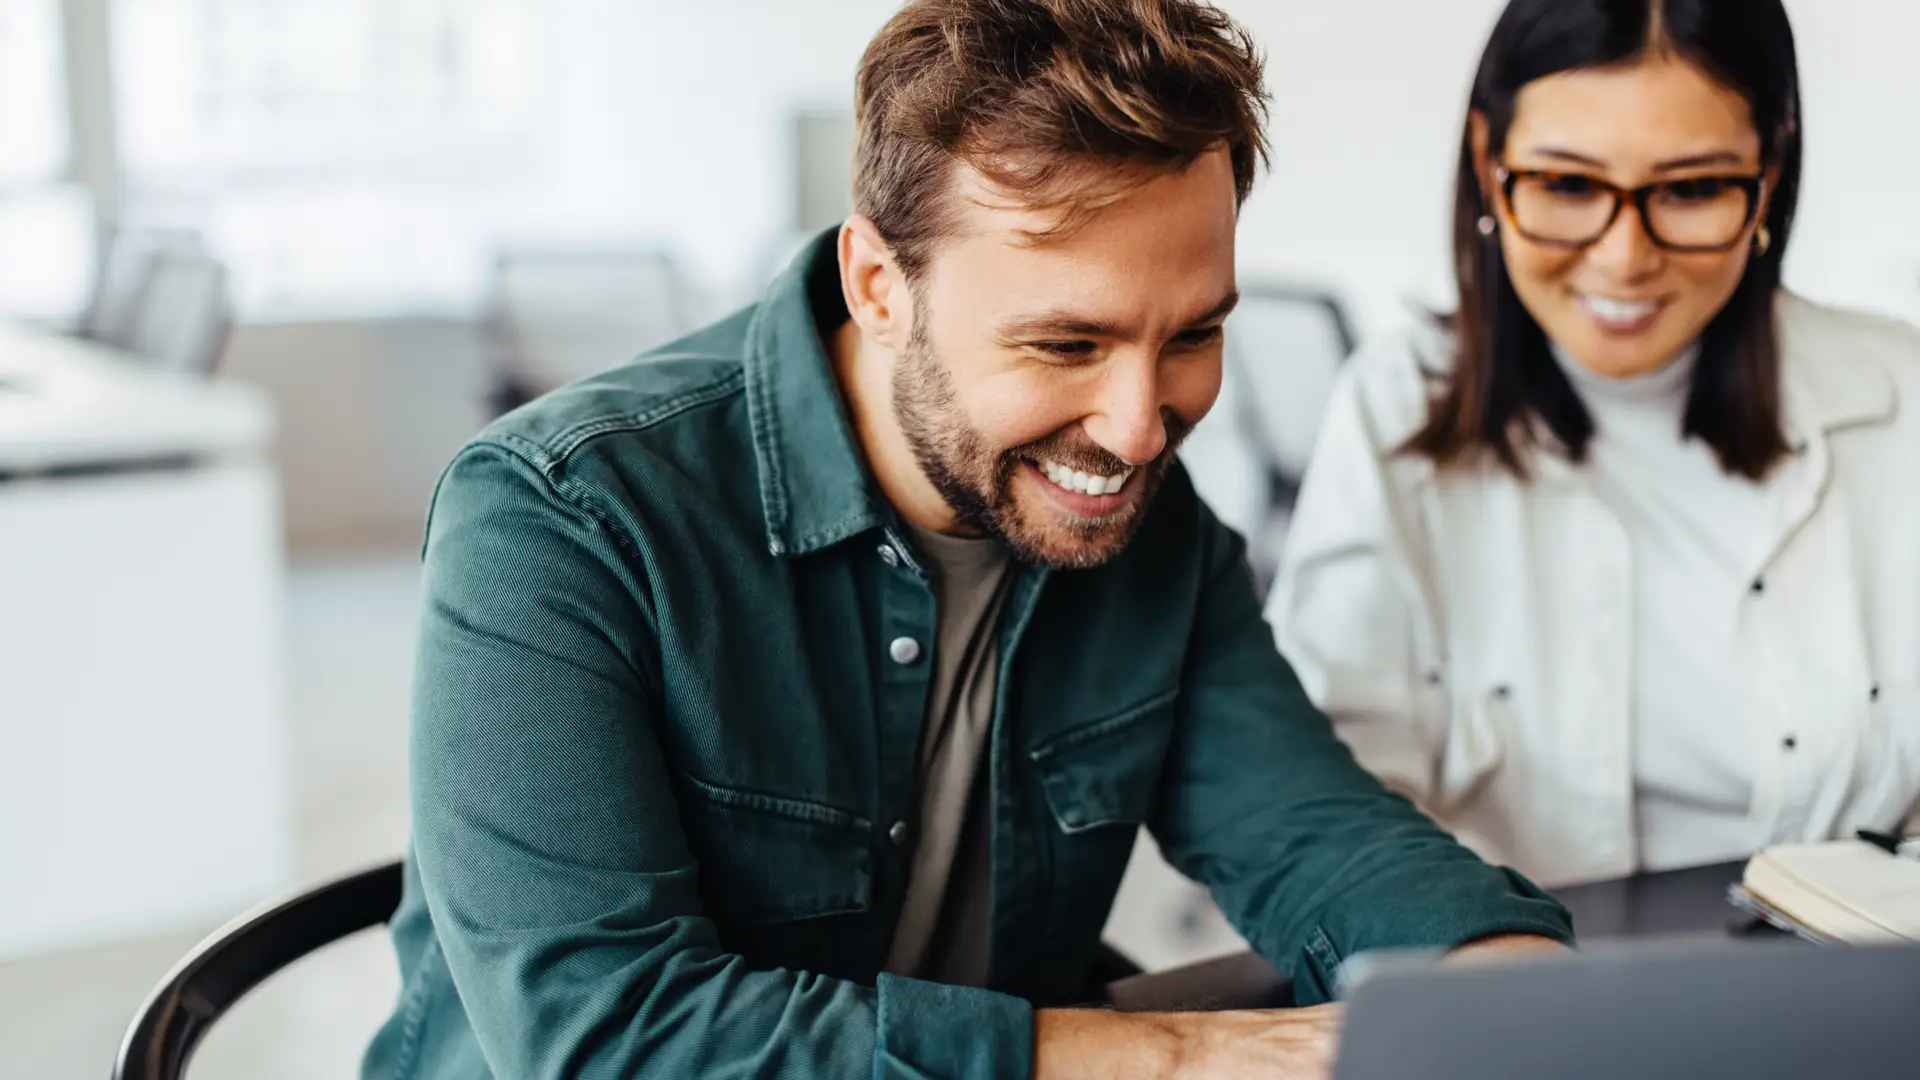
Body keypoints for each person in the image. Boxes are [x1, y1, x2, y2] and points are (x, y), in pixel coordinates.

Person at [360, 2, 1575, 1078]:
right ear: (881, 288)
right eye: (1066, 346)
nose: (1142, 427)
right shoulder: (560, 519)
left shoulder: (1146, 525)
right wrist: (1168, 1054)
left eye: (1195, 335)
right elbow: (608, 1037)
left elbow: (1315, 832)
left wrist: (1517, 989)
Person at [1268, 0, 1920, 890]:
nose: (1622, 259)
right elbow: (1325, 807)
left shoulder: (1902, 402)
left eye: (1691, 190)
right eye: (1570, 186)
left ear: (1769, 177)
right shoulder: (1396, 411)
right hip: (1515, 1001)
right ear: (1488, 163)